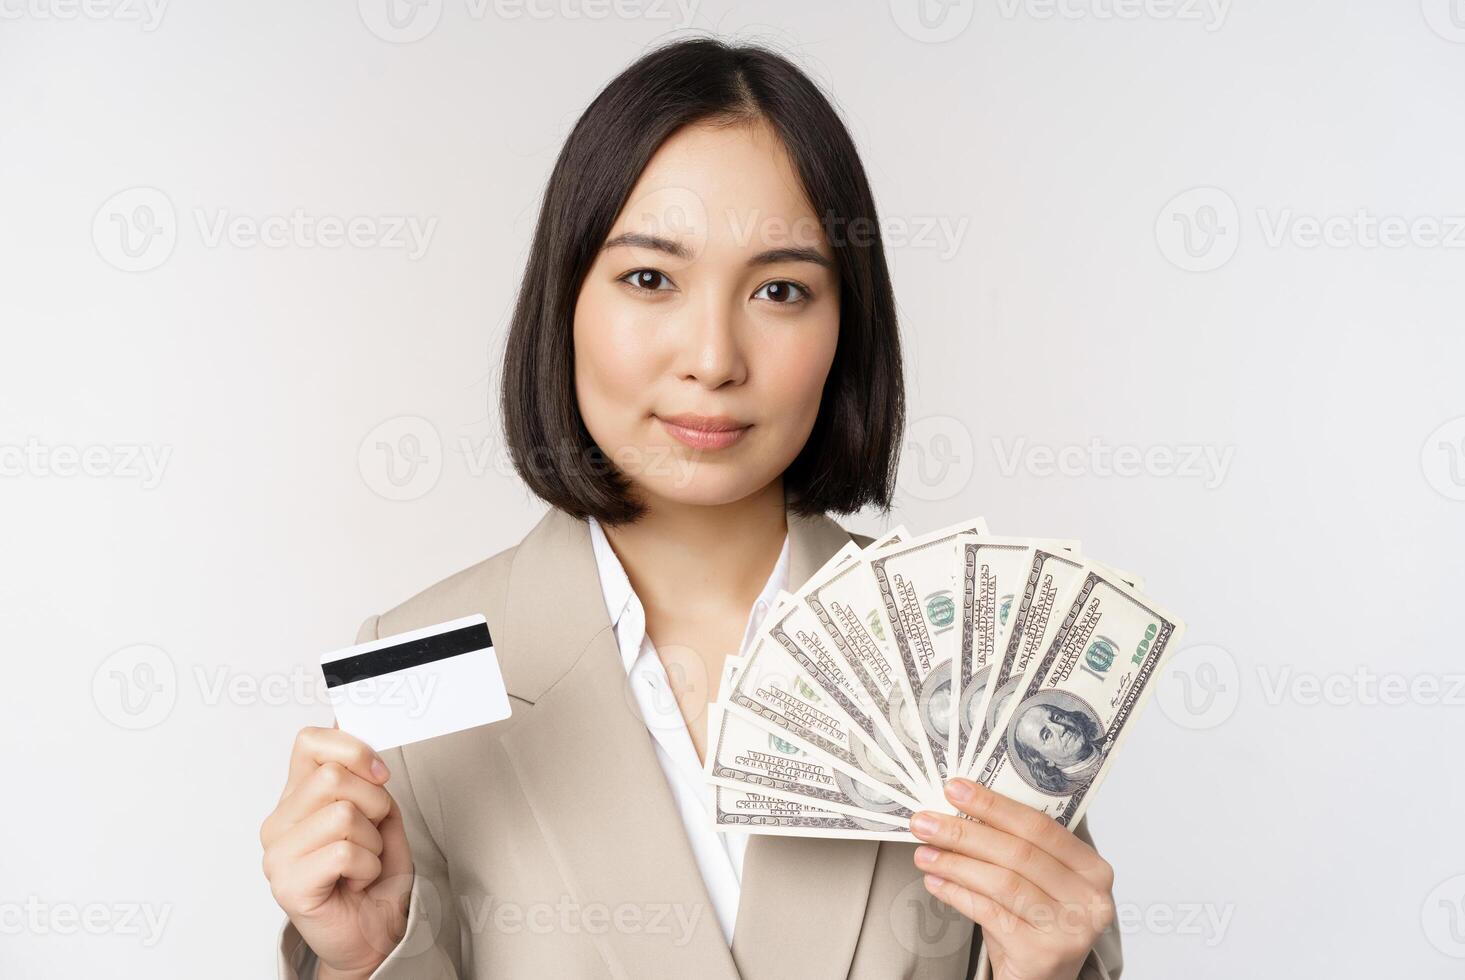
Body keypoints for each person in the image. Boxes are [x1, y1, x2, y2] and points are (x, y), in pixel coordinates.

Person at [259, 37, 1124, 980]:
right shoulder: (422, 660)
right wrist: (364, 956)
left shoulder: (965, 654)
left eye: (780, 289)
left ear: (847, 326)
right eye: (649, 279)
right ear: (566, 300)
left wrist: (1045, 973)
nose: (714, 357)